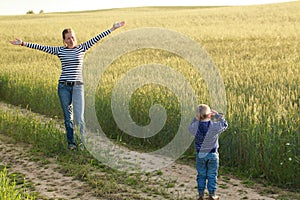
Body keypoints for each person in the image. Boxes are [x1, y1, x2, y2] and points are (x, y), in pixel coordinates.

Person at [10, 21, 125, 150]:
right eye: (68, 38)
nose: (71, 40)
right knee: (67, 117)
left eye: (72, 37)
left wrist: (112, 28)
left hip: (78, 86)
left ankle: (82, 143)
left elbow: (97, 38)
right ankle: (71, 143)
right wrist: (23, 43)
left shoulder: (82, 48)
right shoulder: (59, 50)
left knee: (79, 117)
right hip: (63, 87)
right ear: (64, 40)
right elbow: (42, 47)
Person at [188, 104, 228, 200]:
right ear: (210, 115)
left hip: (200, 155)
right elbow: (225, 124)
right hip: (213, 154)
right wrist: (217, 115)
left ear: (197, 116)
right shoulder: (214, 126)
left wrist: (196, 118)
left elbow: (190, 127)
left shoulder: (195, 127)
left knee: (201, 174)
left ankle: (201, 195)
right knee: (212, 175)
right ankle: (212, 195)